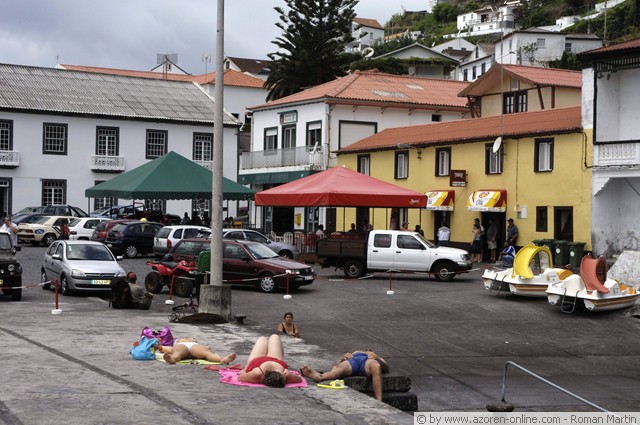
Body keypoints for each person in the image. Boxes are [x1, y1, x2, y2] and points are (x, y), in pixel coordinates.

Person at [301, 349, 389, 401]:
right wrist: (343, 358)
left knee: (376, 366)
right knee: (338, 369)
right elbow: (339, 364)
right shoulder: (356, 352)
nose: (368, 350)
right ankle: (320, 376)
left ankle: (378, 400)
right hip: (352, 361)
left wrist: (377, 357)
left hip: (366, 363)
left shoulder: (375, 358)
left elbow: (385, 368)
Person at [237, 334, 303, 387]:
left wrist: (245, 370)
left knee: (262, 339)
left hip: (257, 360)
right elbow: (299, 379)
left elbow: (240, 377)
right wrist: (289, 376)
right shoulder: (286, 375)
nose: (285, 373)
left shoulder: (258, 374)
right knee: (275, 336)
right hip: (276, 359)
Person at [158, 337, 237, 365]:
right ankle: (172, 359)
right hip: (182, 346)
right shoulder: (176, 345)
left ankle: (222, 359)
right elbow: (163, 348)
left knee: (206, 353)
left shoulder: (194, 343)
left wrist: (207, 348)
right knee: (176, 352)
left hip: (194, 346)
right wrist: (159, 345)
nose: (186, 337)